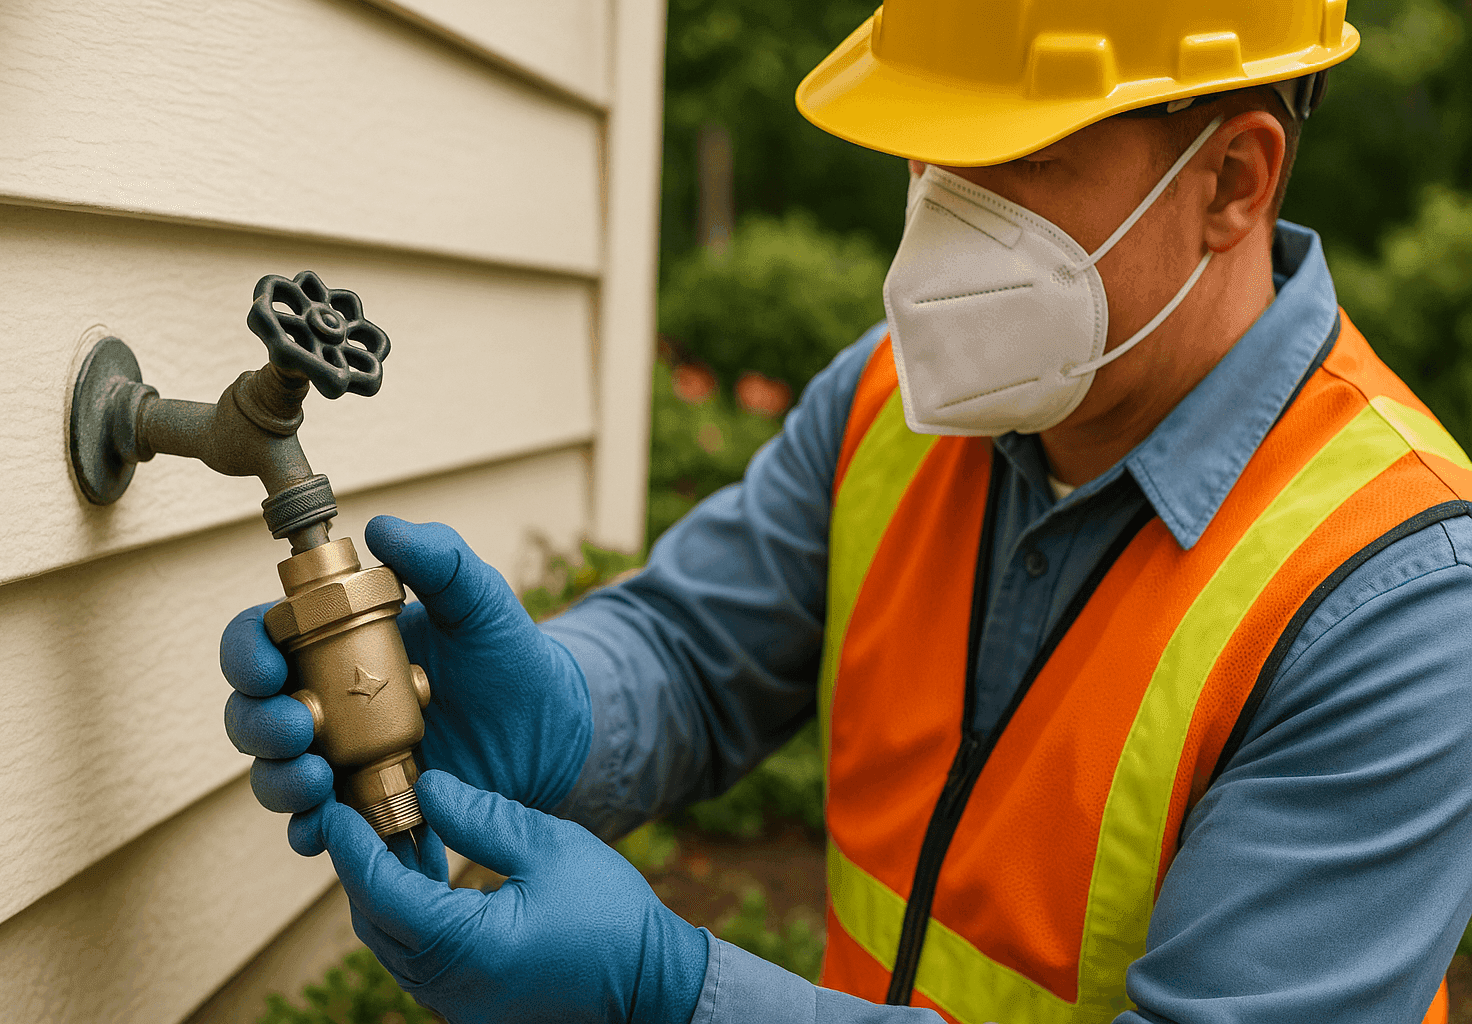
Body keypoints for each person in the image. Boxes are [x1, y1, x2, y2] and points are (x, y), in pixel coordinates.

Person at [220, 1, 1472, 1021]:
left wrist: (669, 996)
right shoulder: (893, 399)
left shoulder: (1396, 597)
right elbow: (696, 656)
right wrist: (560, 707)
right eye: (928, 152)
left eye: (1016, 155)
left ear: (1233, 179)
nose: (941, 222)